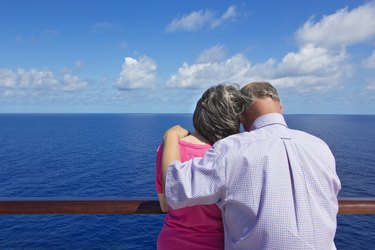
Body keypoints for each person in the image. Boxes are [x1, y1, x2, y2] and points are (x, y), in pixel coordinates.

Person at [162, 82, 341, 249]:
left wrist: (171, 137)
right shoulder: (320, 146)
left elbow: (175, 189)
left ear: (242, 115)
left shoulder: (232, 148)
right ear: (281, 107)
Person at [155, 84, 248, 250]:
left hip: (172, 242)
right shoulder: (229, 155)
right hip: (217, 243)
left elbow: (165, 205)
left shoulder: (167, 149)